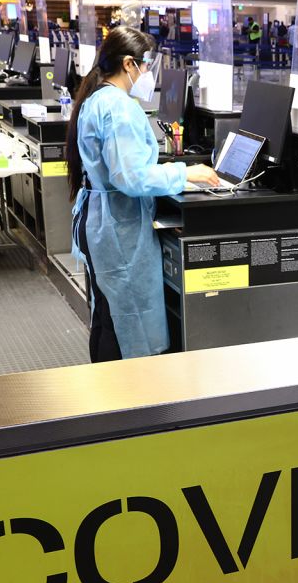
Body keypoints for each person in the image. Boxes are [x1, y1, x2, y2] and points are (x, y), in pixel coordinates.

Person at [65, 26, 219, 363]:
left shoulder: (96, 98)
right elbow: (131, 178)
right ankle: (124, 398)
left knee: (107, 312)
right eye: (146, 64)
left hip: (99, 219)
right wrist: (185, 173)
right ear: (128, 64)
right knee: (126, 317)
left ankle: (106, 392)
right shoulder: (119, 107)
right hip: (118, 226)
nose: (148, 72)